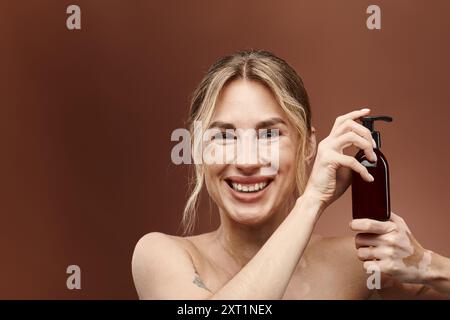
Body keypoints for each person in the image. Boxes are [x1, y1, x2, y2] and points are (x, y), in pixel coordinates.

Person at [132, 50, 450, 299]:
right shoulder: (161, 256)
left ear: (308, 146)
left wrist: (428, 266)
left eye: (270, 135)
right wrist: (312, 201)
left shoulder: (358, 263)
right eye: (224, 136)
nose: (247, 161)